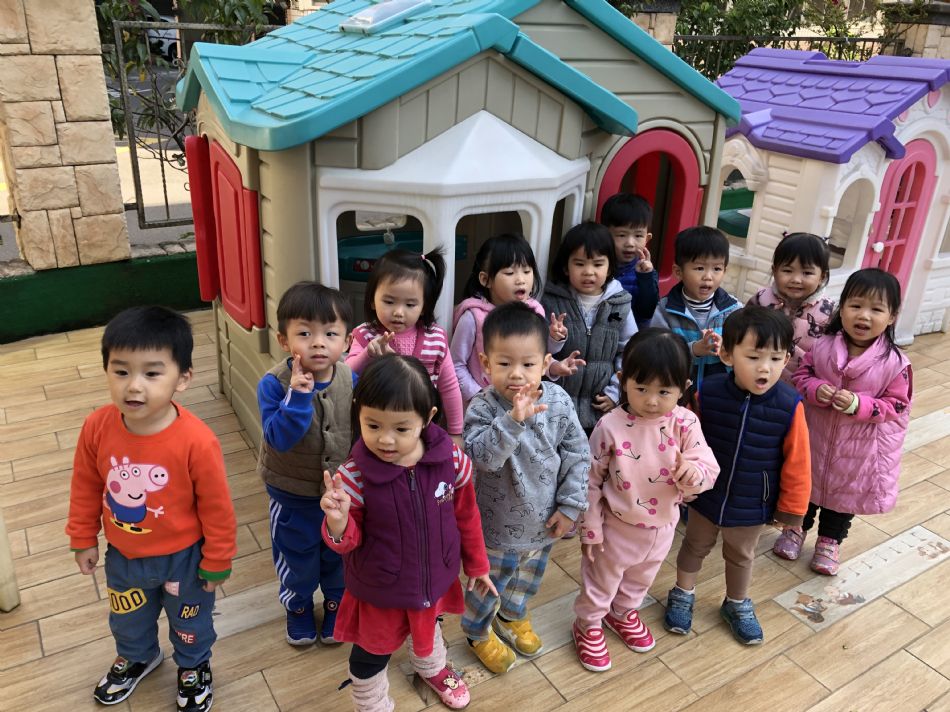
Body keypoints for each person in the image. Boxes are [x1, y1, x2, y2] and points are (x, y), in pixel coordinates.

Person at [66, 306, 236, 712]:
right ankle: (138, 656)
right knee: (127, 619)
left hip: (186, 560)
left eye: (152, 373)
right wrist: (82, 536)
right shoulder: (97, 427)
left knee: (191, 621)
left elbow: (217, 508)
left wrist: (218, 559)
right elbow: (86, 485)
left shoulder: (197, 441)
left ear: (183, 378)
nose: (134, 386)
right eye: (121, 371)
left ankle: (193, 665)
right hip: (124, 556)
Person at [320, 354, 494, 711]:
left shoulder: (451, 461)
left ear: (428, 418)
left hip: (434, 579)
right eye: (373, 425)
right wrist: (338, 521)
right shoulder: (353, 477)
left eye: (401, 429)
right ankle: (372, 704)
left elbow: (466, 515)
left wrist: (477, 565)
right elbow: (348, 540)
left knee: (430, 630)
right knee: (370, 656)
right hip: (380, 591)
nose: (385, 440)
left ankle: (432, 668)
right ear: (358, 412)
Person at [572, 328, 718, 672]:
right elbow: (589, 480)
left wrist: (693, 474)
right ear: (623, 380)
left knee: (642, 578)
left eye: (664, 391)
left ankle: (622, 612)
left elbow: (708, 466)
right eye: (641, 389)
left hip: (663, 526)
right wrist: (590, 529)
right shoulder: (610, 426)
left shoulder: (685, 422)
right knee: (601, 580)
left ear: (683, 387)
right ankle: (588, 623)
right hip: (616, 527)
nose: (652, 400)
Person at [664, 306, 811, 645]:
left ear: (787, 358)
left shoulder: (789, 405)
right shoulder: (708, 393)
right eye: (754, 357)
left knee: (742, 555)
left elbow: (799, 463)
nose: (765, 367)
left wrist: (791, 511)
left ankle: (736, 603)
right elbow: (684, 440)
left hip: (752, 501)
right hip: (705, 495)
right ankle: (683, 592)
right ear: (728, 355)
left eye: (776, 358)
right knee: (694, 545)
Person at [461, 302, 590, 673]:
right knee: (488, 585)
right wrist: (512, 421)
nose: (516, 374)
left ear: (546, 362)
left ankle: (512, 615)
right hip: (495, 527)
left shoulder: (559, 402)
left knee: (527, 580)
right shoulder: (482, 408)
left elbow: (579, 454)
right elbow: (481, 458)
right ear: (486, 364)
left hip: (544, 523)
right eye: (504, 363)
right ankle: (477, 631)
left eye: (528, 364)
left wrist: (570, 506)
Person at [781, 268, 912, 574]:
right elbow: (802, 375)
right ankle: (795, 528)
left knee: (844, 497)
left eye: (876, 309)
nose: (863, 315)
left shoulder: (895, 363)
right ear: (842, 309)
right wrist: (816, 388)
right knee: (806, 484)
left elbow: (897, 405)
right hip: (815, 436)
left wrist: (859, 405)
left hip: (858, 449)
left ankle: (829, 541)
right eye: (855, 305)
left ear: (892, 317)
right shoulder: (822, 346)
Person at [257, 281, 355, 646]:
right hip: (291, 493)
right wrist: (297, 398)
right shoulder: (273, 384)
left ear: (347, 341)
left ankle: (335, 603)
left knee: (337, 553)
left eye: (330, 333)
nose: (318, 343)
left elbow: (359, 431)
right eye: (304, 333)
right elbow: (279, 439)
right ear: (284, 340)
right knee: (295, 555)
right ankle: (297, 605)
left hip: (339, 494)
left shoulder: (350, 378)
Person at [346, 246, 464, 444]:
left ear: (424, 306)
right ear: (373, 300)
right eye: (389, 301)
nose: (398, 312)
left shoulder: (435, 339)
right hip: (377, 431)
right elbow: (344, 376)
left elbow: (449, 386)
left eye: (410, 305)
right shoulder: (366, 335)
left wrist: (455, 432)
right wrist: (368, 355)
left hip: (423, 428)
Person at [451, 233, 583, 403]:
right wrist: (480, 398)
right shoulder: (473, 318)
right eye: (509, 272)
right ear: (485, 279)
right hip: (483, 408)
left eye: (527, 271)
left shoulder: (534, 310)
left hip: (524, 404)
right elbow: (456, 365)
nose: (521, 280)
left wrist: (555, 354)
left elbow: (534, 356)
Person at [541, 222, 638, 432]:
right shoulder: (551, 301)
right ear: (566, 267)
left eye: (598, 264)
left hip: (601, 407)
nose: (588, 272)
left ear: (610, 267)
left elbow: (630, 352)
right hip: (555, 407)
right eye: (579, 264)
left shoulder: (620, 303)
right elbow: (539, 352)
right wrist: (555, 339)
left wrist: (616, 392)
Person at [651, 226, 741, 390]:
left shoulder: (734, 310)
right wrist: (693, 349)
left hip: (721, 392)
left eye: (717, 269)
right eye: (700, 268)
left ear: (725, 271)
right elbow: (657, 352)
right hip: (678, 391)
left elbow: (746, 350)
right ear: (678, 271)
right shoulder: (665, 310)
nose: (708, 276)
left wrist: (726, 348)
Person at [747, 232, 836, 383]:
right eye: (787, 271)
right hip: (758, 379)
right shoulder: (761, 300)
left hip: (802, 387)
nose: (796, 279)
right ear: (774, 270)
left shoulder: (830, 312)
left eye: (807, 273)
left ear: (822, 276)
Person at [600, 192, 659, 328]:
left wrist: (645, 277)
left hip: (635, 334)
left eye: (638, 236)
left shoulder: (648, 273)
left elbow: (647, 312)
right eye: (622, 235)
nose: (630, 243)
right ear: (605, 235)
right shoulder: (599, 266)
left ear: (647, 239)